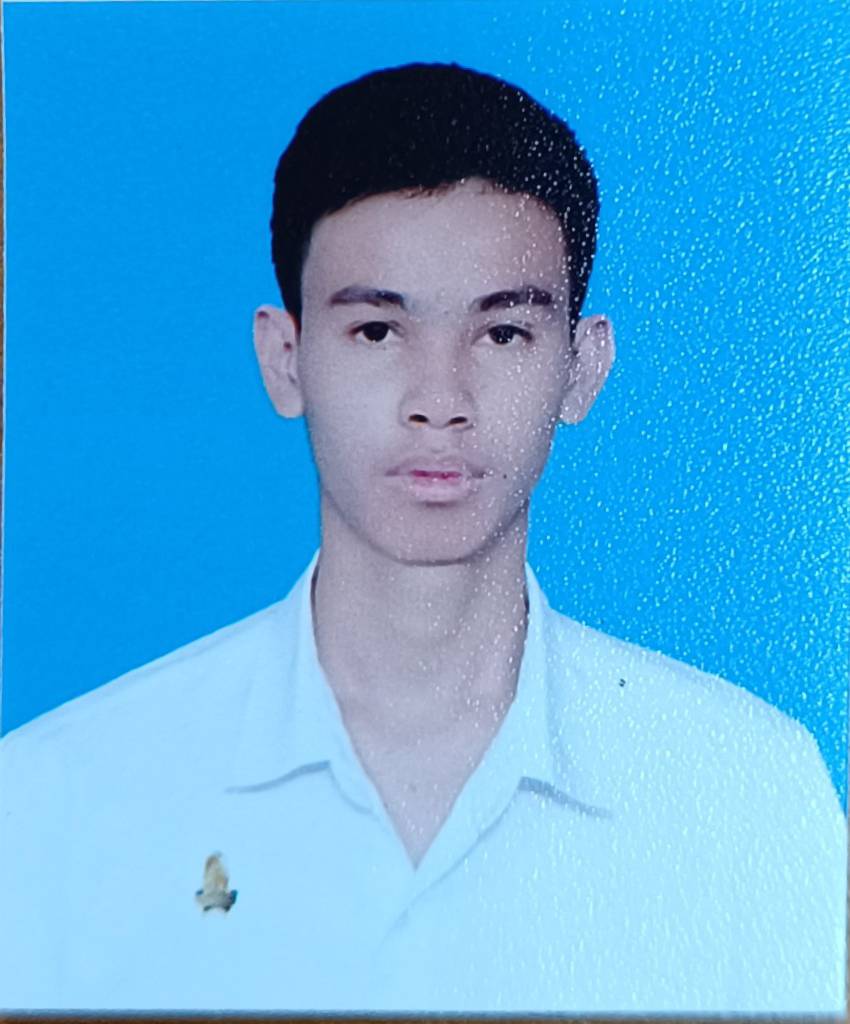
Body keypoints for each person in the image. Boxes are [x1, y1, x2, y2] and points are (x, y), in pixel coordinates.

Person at [0, 62, 845, 1015]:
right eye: (376, 332)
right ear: (286, 359)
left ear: (582, 367)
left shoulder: (748, 793)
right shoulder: (60, 797)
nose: (439, 402)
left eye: (503, 334)